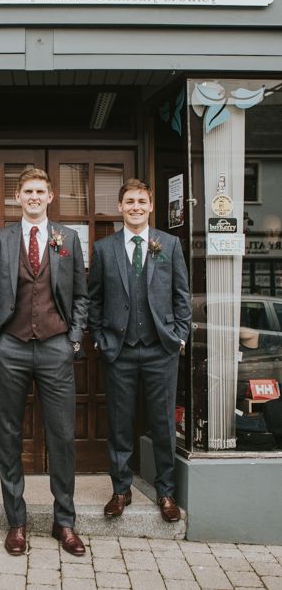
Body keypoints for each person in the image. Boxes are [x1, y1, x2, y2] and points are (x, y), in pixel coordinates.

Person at [0, 167, 88, 557]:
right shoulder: (0, 240)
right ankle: (17, 523)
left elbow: (80, 296)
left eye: (40, 191)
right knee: (8, 435)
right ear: (18, 196)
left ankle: (65, 522)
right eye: (27, 191)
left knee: (62, 436)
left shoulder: (68, 238)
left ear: (51, 196)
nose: (34, 196)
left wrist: (74, 339)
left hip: (56, 347)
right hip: (10, 347)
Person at [88, 178, 191, 523]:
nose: (135, 207)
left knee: (162, 424)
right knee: (120, 423)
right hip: (120, 350)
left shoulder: (170, 244)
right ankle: (121, 490)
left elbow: (182, 296)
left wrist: (178, 336)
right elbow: (95, 299)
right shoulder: (104, 249)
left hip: (161, 349)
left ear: (150, 206)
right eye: (129, 201)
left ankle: (166, 492)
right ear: (120, 207)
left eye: (141, 202)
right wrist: (101, 339)